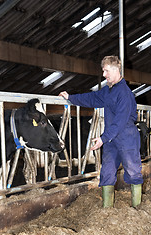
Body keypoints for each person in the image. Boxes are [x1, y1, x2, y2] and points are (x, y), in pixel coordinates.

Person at [59, 55, 143, 208]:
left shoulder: (124, 93)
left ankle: (137, 207)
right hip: (111, 138)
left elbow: (120, 121)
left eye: (106, 71)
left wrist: (103, 139)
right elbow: (92, 98)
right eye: (103, 71)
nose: (104, 75)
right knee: (107, 172)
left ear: (116, 69)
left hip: (126, 137)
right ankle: (107, 208)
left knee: (133, 172)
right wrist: (71, 97)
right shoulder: (109, 91)